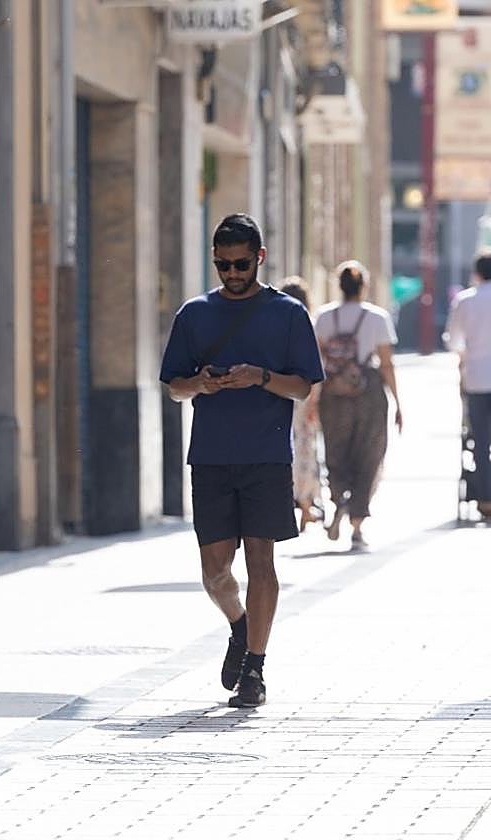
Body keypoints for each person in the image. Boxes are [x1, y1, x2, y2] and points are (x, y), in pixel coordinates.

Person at [161, 214, 323, 709]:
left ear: (260, 258)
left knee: (261, 561)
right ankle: (239, 626)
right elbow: (173, 387)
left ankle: (255, 666)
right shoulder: (193, 314)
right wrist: (201, 384)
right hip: (210, 456)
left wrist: (260, 376)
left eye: (240, 264)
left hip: (265, 455)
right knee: (214, 571)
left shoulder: (289, 314)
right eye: (222, 264)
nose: (231, 273)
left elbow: (303, 386)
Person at [314, 260, 402, 549]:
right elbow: (387, 364)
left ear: (338, 286)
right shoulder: (377, 317)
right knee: (369, 454)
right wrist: (399, 403)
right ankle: (357, 524)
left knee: (336, 453)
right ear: (364, 286)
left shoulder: (325, 317)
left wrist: (314, 400)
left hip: (333, 393)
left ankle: (339, 498)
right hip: (369, 393)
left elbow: (316, 363)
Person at [445, 253, 491, 518]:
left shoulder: (465, 301)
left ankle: (485, 498)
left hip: (475, 379)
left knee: (480, 441)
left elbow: (454, 342)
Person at [280, 279, 324, 531]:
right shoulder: (308, 325)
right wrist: (315, 402)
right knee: (305, 452)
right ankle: (305, 504)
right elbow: (314, 368)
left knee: (289, 451)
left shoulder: (275, 326)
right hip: (303, 398)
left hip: (279, 397)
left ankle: (300, 504)